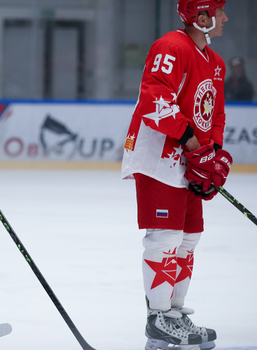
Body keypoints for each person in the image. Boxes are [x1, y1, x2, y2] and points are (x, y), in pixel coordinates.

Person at [121, 1, 234, 350]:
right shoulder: (170, 46)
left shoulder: (216, 64)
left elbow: (216, 115)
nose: (225, 18)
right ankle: (158, 319)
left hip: (191, 161)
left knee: (189, 238)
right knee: (165, 238)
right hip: (160, 158)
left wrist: (210, 155)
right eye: (219, 11)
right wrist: (190, 142)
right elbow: (155, 98)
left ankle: (174, 314)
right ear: (201, 18)